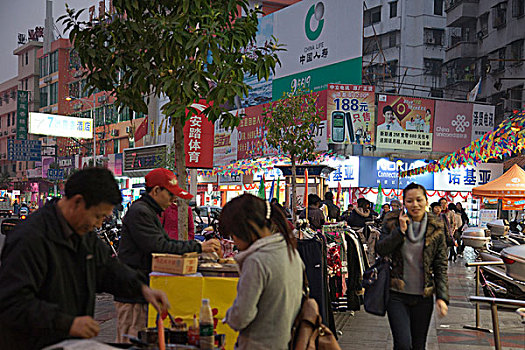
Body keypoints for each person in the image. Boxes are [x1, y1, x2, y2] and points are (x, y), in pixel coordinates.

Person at [0, 168, 169, 350]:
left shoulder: (84, 235)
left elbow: (107, 269)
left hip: (72, 342)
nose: (98, 224)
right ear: (78, 202)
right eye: (97, 216)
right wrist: (69, 323)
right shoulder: (30, 238)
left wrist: (142, 289)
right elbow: (13, 303)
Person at [116, 168, 221, 342]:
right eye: (170, 194)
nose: (173, 200)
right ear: (156, 191)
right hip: (132, 292)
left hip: (142, 289)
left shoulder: (150, 212)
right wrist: (199, 247)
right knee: (131, 338)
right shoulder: (140, 212)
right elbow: (159, 246)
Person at [220, 194, 303, 349]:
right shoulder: (290, 252)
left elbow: (241, 316)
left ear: (248, 228)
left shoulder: (256, 261)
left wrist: (228, 316)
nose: (234, 241)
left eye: (234, 234)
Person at [377, 183, 448, 350]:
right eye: (410, 201)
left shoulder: (436, 226)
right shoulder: (392, 221)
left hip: (424, 297)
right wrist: (400, 232)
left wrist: (442, 297)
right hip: (396, 294)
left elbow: (440, 264)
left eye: (419, 200)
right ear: (404, 203)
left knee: (418, 345)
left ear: (426, 201)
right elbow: (380, 249)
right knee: (402, 344)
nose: (415, 205)